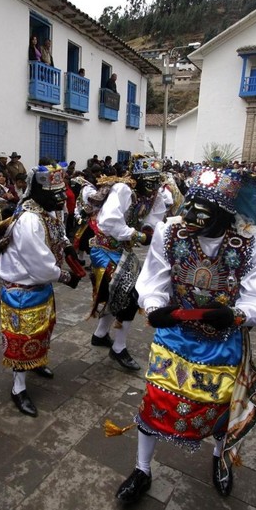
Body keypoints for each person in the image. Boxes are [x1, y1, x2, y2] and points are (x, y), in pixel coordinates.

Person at [114, 165, 256, 503]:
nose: (188, 217)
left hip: (223, 342)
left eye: (202, 210)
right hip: (174, 336)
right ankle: (142, 469)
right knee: (155, 401)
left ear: (225, 212)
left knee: (219, 407)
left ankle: (220, 458)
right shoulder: (170, 232)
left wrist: (236, 315)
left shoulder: (253, 242)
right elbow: (153, 279)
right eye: (190, 204)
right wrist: (154, 305)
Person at [0, 162, 82, 416]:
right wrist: (66, 276)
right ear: (39, 192)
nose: (61, 197)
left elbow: (57, 231)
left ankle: (37, 362)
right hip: (23, 288)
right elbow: (40, 265)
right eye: (55, 193)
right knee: (21, 339)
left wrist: (67, 247)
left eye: (61, 191)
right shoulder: (30, 220)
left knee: (42, 331)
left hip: (39, 287)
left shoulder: (47, 211)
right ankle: (18, 388)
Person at [88, 154, 168, 371]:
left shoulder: (154, 196)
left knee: (120, 294)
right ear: (138, 177)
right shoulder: (124, 190)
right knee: (130, 294)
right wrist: (139, 236)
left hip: (123, 248)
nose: (154, 187)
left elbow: (155, 217)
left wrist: (149, 229)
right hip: (104, 247)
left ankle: (100, 335)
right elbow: (109, 221)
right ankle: (118, 348)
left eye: (156, 181)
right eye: (149, 181)